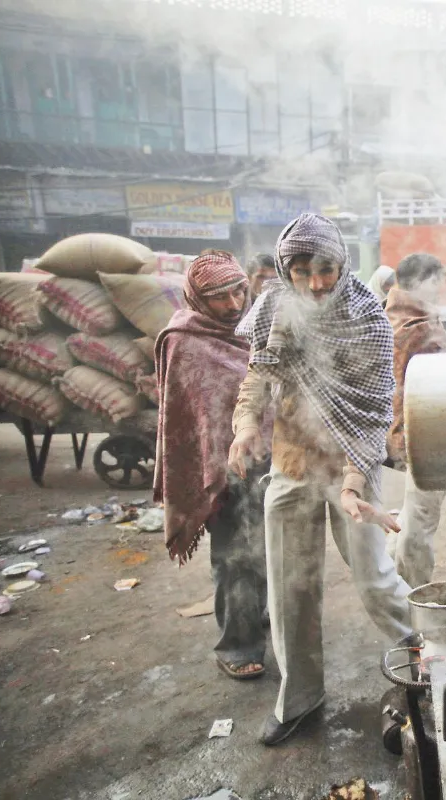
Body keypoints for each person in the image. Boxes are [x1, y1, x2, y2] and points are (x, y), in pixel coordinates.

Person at [228, 213, 411, 746]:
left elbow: (375, 412)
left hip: (352, 463)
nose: (314, 283)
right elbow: (257, 379)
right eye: (301, 270)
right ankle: (300, 700)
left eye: (325, 268)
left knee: (375, 579)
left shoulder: (368, 318)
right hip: (291, 463)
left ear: (342, 263)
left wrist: (354, 484)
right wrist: (243, 430)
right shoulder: (274, 308)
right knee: (290, 589)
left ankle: (433, 656)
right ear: (285, 269)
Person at [154, 250, 271, 681]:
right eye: (221, 297)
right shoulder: (182, 340)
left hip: (270, 458)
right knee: (237, 555)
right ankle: (237, 647)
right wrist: (215, 466)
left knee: (268, 550)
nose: (234, 303)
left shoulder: (255, 327)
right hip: (223, 468)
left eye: (239, 290)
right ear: (199, 299)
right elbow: (189, 416)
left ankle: (257, 617)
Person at [385, 253, 446, 586]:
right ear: (427, 281)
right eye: (438, 280)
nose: (441, 288)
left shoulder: (395, 316)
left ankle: (395, 582)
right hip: (425, 435)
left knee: (413, 513)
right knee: (419, 521)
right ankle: (415, 595)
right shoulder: (418, 327)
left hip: (407, 433)